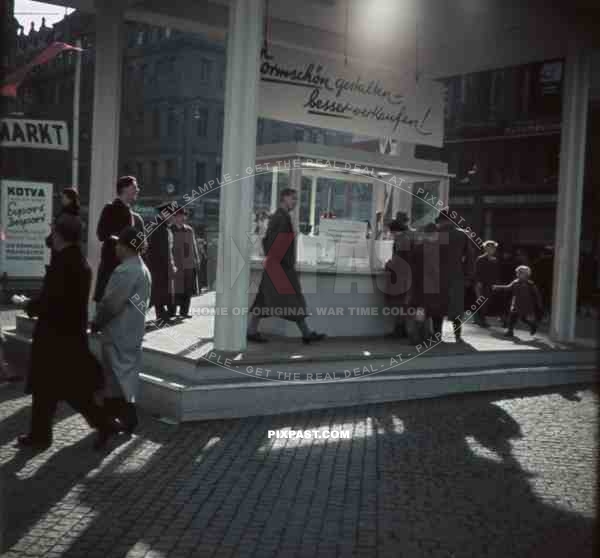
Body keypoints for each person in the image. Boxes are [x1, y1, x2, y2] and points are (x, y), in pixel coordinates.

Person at [16, 214, 118, 450]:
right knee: (59, 391)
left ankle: (44, 435)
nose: (50, 235)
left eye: (53, 231)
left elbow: (51, 302)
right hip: (68, 336)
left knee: (58, 390)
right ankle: (42, 435)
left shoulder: (63, 264)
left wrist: (26, 305)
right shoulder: (77, 261)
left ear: (60, 235)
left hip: (55, 338)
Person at [92, 226, 152, 435]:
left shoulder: (125, 270)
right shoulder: (143, 269)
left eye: (119, 243)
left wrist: (97, 322)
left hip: (118, 330)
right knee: (125, 374)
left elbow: (111, 303)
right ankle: (118, 417)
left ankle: (119, 418)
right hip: (133, 329)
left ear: (126, 246)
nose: (116, 247)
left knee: (115, 375)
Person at [247, 188, 326, 344]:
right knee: (293, 300)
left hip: (276, 266)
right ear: (284, 198)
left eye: (296, 199)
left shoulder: (280, 216)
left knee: (264, 300)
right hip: (280, 267)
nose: (296, 202)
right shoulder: (281, 217)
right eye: (293, 199)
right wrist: (282, 264)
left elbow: (268, 242)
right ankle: (306, 333)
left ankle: (251, 331)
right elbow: (272, 243)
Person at [94, 176, 145, 302]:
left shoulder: (132, 214)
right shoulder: (110, 209)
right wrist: (123, 242)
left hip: (126, 266)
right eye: (134, 187)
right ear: (124, 189)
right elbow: (101, 234)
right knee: (109, 303)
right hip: (112, 266)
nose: (137, 190)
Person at [430, 212, 469, 341]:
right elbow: (469, 257)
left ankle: (437, 335)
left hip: (437, 276)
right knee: (456, 307)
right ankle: (457, 336)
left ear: (440, 221)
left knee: (437, 307)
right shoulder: (462, 234)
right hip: (456, 275)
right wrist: (468, 275)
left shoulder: (434, 235)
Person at [492, 265, 544, 337]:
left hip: (526, 304)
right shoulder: (515, 282)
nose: (518, 274)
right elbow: (508, 287)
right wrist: (498, 287)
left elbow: (537, 295)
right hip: (516, 303)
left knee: (523, 318)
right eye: (517, 273)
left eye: (520, 273)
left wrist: (539, 305)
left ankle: (533, 325)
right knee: (512, 317)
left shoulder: (530, 284)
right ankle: (510, 331)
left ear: (526, 274)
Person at [147, 202, 177, 322]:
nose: (173, 217)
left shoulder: (164, 227)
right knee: (158, 290)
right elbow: (162, 251)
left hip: (161, 265)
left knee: (160, 290)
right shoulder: (159, 228)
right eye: (172, 214)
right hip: (158, 265)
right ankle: (161, 314)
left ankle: (162, 314)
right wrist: (170, 265)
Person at [170, 207, 201, 318]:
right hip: (176, 264)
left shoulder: (189, 230)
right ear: (174, 217)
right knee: (175, 289)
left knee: (187, 289)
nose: (182, 218)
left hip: (188, 264)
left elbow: (193, 246)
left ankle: (184, 312)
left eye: (183, 216)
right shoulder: (170, 230)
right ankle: (172, 311)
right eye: (179, 216)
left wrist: (197, 259)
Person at [45, 187, 81, 261]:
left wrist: (55, 228)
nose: (61, 199)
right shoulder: (67, 213)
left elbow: (69, 235)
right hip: (62, 251)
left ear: (70, 199)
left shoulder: (70, 215)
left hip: (64, 253)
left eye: (63, 197)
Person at [474, 240, 500, 327]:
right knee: (482, 302)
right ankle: (481, 320)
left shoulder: (495, 260)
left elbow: (496, 273)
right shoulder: (480, 259)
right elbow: (477, 272)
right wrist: (478, 283)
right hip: (482, 283)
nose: (492, 250)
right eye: (489, 248)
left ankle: (478, 319)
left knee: (486, 302)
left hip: (490, 284)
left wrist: (496, 283)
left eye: (493, 248)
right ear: (485, 248)